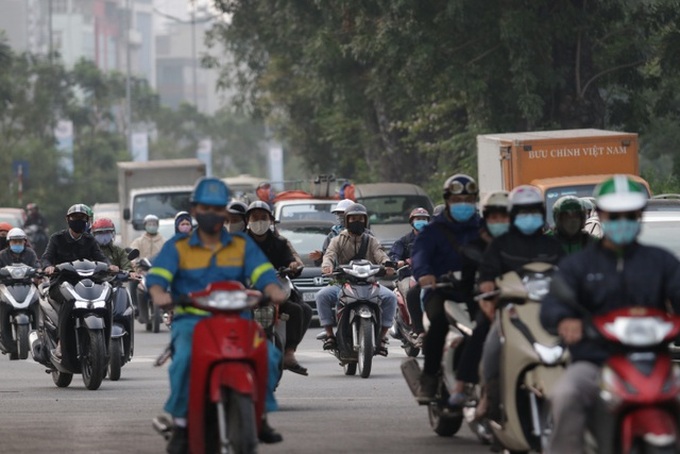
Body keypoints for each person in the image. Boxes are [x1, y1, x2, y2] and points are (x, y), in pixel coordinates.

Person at [146, 177, 287, 454]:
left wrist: (274, 290)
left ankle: (259, 417)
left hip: (237, 319)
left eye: (216, 208)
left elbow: (264, 275)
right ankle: (182, 424)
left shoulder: (241, 245)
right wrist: (161, 296)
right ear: (195, 209)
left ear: (225, 212)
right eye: (204, 207)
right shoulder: (178, 246)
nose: (211, 213)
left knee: (269, 356)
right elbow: (157, 280)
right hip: (191, 320)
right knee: (184, 360)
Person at [540, 175, 680, 453]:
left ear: (639, 215)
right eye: (614, 215)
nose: (622, 221)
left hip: (656, 361)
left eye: (629, 215)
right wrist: (564, 319)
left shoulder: (661, 261)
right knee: (565, 396)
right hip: (594, 362)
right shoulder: (578, 264)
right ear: (601, 215)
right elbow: (552, 303)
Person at [476, 185, 564, 421]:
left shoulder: (553, 245)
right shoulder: (500, 245)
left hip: (549, 314)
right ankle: (488, 397)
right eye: (523, 212)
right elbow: (486, 276)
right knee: (492, 350)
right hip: (512, 313)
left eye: (533, 211)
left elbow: (569, 277)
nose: (529, 216)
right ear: (513, 214)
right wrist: (487, 288)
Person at [411, 174, 481, 402]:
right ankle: (429, 378)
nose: (463, 204)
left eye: (468, 199)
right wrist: (425, 274)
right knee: (439, 324)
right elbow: (420, 255)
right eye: (457, 199)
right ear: (448, 200)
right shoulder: (432, 231)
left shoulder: (483, 228)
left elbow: (498, 254)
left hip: (476, 293)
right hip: (441, 292)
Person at [447, 190, 510, 406]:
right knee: (482, 332)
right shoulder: (474, 246)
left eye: (504, 217)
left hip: (520, 303)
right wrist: (479, 297)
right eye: (495, 217)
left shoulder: (520, 243)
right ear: (486, 218)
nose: (499, 222)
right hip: (484, 304)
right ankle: (461, 385)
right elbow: (466, 283)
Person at [317, 203, 397, 355]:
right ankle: (329, 335)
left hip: (370, 283)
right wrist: (327, 266)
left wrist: (387, 265)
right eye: (353, 218)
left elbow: (380, 254)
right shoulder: (338, 240)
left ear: (365, 220)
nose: (357, 221)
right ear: (347, 221)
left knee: (391, 297)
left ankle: (381, 337)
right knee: (322, 295)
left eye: (360, 218)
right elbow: (329, 255)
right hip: (342, 283)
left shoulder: (371, 240)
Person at [41, 204, 116, 358]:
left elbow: (100, 257)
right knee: (69, 301)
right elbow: (46, 257)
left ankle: (106, 343)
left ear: (87, 220)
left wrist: (109, 266)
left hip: (87, 283)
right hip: (62, 283)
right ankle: (61, 342)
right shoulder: (57, 238)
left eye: (82, 218)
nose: (78, 221)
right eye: (75, 217)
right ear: (68, 219)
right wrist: (48, 267)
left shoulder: (90, 240)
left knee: (106, 298)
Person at [246, 200, 309, 375]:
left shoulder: (280, 243)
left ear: (270, 220)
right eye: (255, 217)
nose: (259, 221)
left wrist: (293, 265)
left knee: (299, 310)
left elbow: (291, 261)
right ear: (247, 221)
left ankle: (289, 353)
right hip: (246, 294)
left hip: (275, 291)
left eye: (263, 217)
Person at [388, 207, 431, 347]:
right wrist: (401, 261)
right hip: (409, 275)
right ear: (412, 222)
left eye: (424, 219)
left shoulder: (434, 238)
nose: (421, 222)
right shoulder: (404, 241)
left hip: (430, 275)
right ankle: (416, 328)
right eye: (418, 219)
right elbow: (394, 256)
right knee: (410, 292)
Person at [309, 198, 354, 265]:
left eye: (343, 214)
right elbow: (327, 256)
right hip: (338, 273)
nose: (340, 217)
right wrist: (320, 257)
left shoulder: (365, 234)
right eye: (339, 214)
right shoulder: (332, 235)